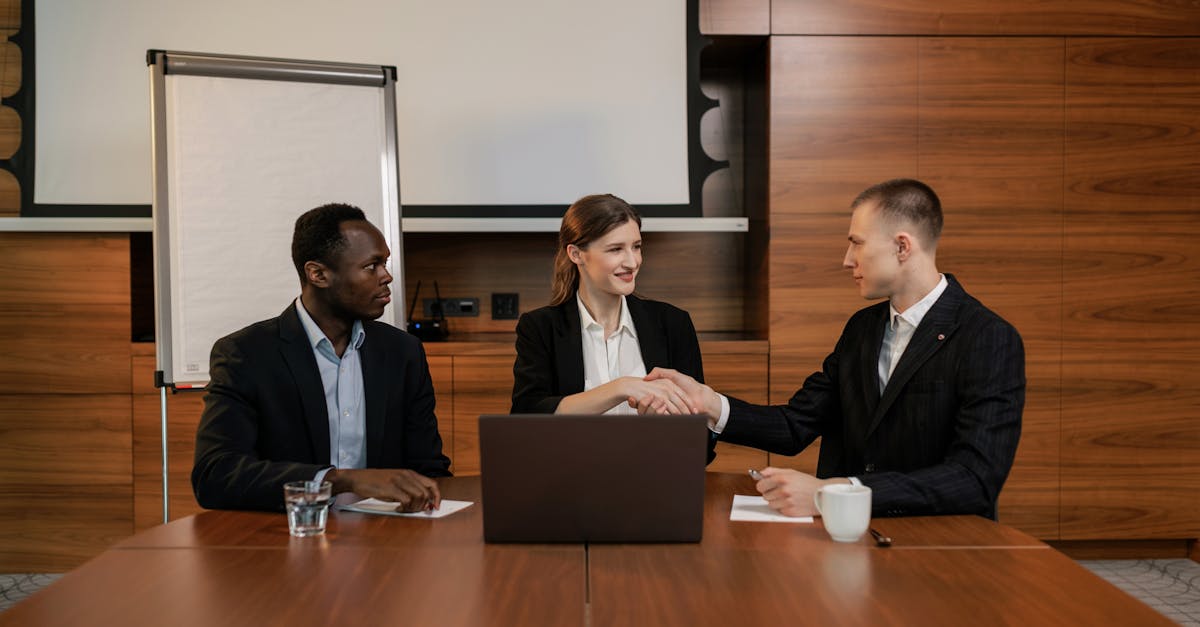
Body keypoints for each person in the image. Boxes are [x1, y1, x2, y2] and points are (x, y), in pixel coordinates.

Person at [648, 179, 1024, 518]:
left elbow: (974, 480)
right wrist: (709, 403)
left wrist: (835, 492)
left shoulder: (987, 337)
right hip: (849, 539)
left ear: (902, 246)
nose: (847, 260)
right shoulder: (862, 329)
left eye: (856, 243)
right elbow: (796, 425)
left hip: (945, 549)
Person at [192, 203, 451, 512]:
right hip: (284, 541)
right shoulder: (246, 354)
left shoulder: (402, 352)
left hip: (387, 540)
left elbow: (429, 468)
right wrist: (341, 480)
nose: (386, 276)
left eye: (385, 263)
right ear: (317, 274)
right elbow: (216, 475)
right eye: (372, 266)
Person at [510, 194, 717, 459]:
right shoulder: (540, 327)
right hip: (567, 482)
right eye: (616, 249)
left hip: (654, 479)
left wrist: (667, 424)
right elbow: (526, 420)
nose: (632, 262)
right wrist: (621, 388)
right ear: (576, 254)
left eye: (637, 246)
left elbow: (702, 443)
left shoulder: (673, 323)